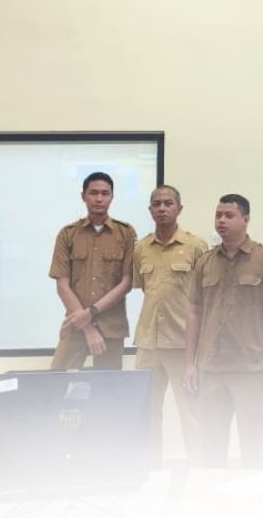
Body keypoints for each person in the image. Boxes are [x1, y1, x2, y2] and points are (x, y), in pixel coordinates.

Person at [184, 194, 263, 467]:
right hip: (211, 369)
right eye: (218, 215)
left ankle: (253, 491)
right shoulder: (205, 262)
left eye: (229, 215)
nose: (221, 220)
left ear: (246, 220)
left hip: (251, 370)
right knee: (211, 445)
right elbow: (194, 312)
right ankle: (213, 491)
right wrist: (190, 364)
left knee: (253, 444)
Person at [132, 184, 208, 462]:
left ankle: (199, 469)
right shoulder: (141, 248)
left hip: (182, 345)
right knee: (147, 413)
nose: (162, 209)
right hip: (149, 344)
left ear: (179, 208)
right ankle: (151, 469)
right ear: (150, 210)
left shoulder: (196, 246)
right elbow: (145, 288)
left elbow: (205, 295)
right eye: (157, 204)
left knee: (191, 412)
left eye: (168, 203)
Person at [48, 172, 135, 370]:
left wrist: (92, 312)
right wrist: (87, 326)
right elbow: (62, 285)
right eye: (93, 193)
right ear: (83, 196)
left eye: (105, 193)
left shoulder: (126, 233)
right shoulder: (68, 234)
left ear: (112, 197)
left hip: (112, 327)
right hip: (76, 324)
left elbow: (127, 282)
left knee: (108, 386)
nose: (99, 198)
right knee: (56, 382)